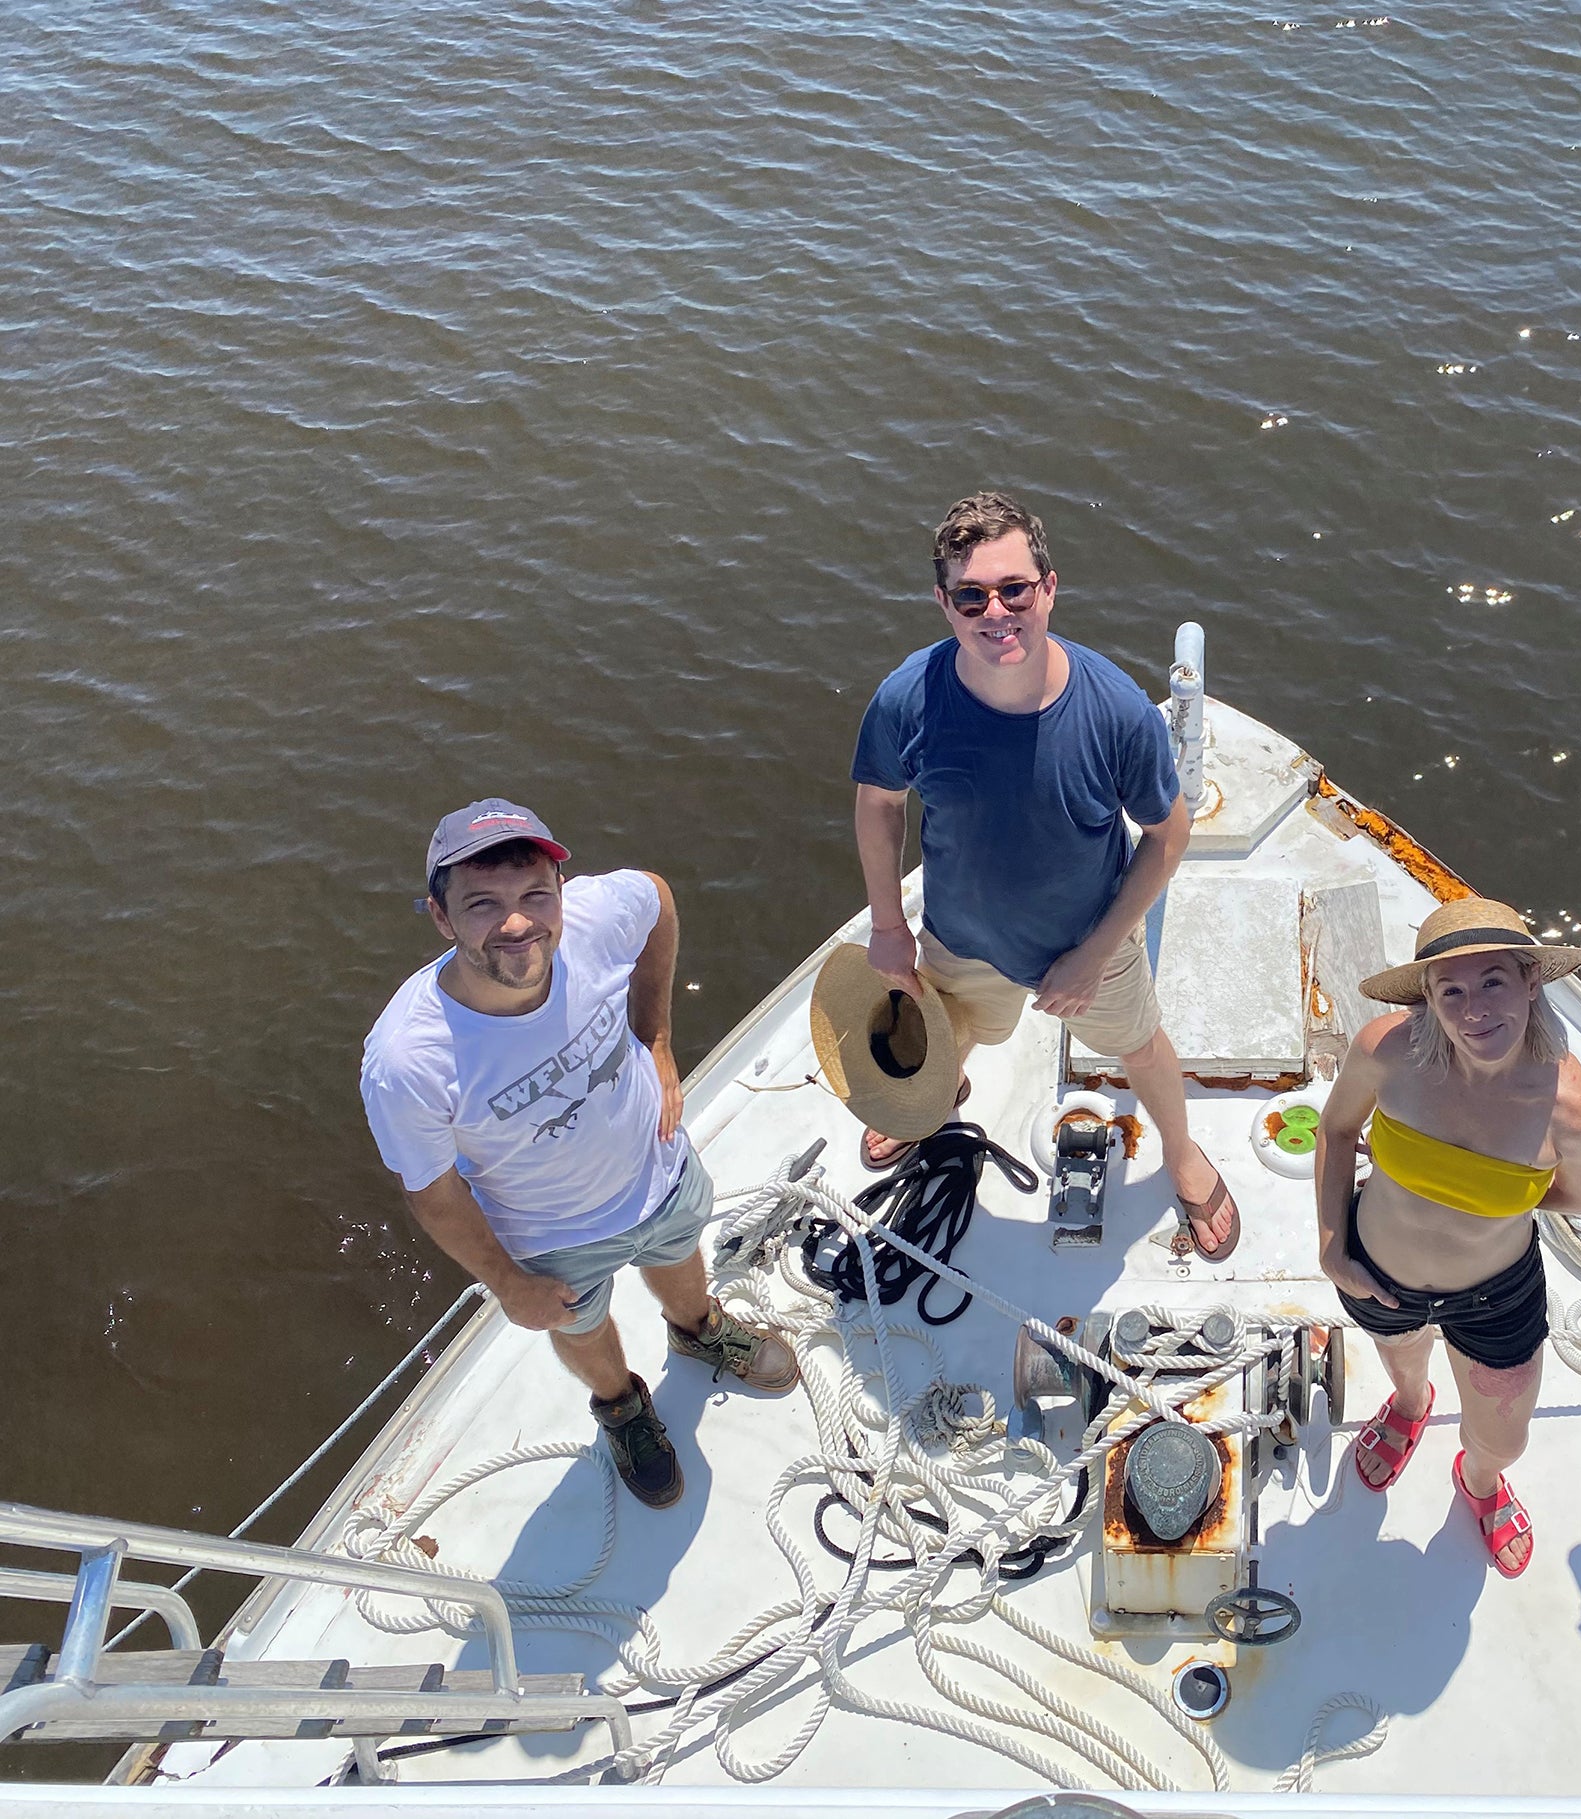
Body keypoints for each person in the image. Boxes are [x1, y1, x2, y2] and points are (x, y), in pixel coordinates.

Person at [360, 800, 797, 1511]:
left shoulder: (594, 919)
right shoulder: (408, 1059)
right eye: (482, 904)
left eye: (536, 894)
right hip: (551, 1240)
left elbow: (656, 899)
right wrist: (507, 1282)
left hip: (656, 1169)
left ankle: (700, 1332)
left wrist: (654, 1038)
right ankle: (621, 1405)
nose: (518, 922)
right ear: (441, 918)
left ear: (561, 892)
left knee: (682, 1259)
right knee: (582, 1328)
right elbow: (433, 1194)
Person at [849, 490, 1239, 1257]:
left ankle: (1184, 1155)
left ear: (1049, 588)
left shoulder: (1117, 711)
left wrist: (1093, 956)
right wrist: (889, 927)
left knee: (1141, 1046)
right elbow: (878, 805)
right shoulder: (906, 698)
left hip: (1088, 940)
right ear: (943, 603)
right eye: (971, 594)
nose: (994, 612)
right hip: (959, 938)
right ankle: (935, 1095)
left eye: (1014, 589)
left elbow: (1168, 835)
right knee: (947, 1032)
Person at [1316, 898, 1581, 1578]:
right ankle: (1412, 1405)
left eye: (1493, 982)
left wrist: (1492, 1206)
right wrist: (1333, 1243)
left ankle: (1480, 1481)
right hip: (1375, 1268)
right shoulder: (1384, 1051)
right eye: (1451, 989)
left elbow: (1575, 1195)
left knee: (1503, 1436)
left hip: (1494, 1295)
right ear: (1427, 996)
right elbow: (1335, 1129)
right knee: (1402, 1361)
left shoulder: (1573, 1110)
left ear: (1531, 980)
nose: (1474, 1008)